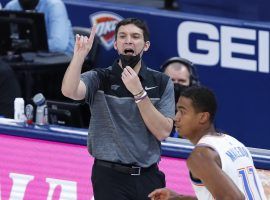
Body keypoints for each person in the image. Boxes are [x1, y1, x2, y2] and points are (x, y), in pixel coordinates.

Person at [61, 18, 175, 199]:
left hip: (149, 176)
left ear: (146, 46)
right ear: (115, 45)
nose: (128, 40)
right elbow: (69, 91)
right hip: (109, 177)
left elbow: (163, 132)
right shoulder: (99, 78)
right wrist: (79, 56)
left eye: (135, 36)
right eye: (122, 36)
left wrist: (139, 93)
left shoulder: (162, 82)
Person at [149, 86, 267, 200]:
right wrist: (178, 198)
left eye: (182, 112)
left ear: (203, 117)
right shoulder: (234, 142)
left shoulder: (201, 156)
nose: (176, 117)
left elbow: (233, 198)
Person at [5, 0, 74, 56]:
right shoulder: (11, 6)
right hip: (29, 57)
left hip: (62, 59)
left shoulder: (54, 5)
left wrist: (26, 47)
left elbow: (58, 45)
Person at [161, 57, 200, 137]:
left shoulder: (200, 115)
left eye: (182, 81)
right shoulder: (149, 106)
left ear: (192, 83)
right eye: (171, 80)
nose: (176, 85)